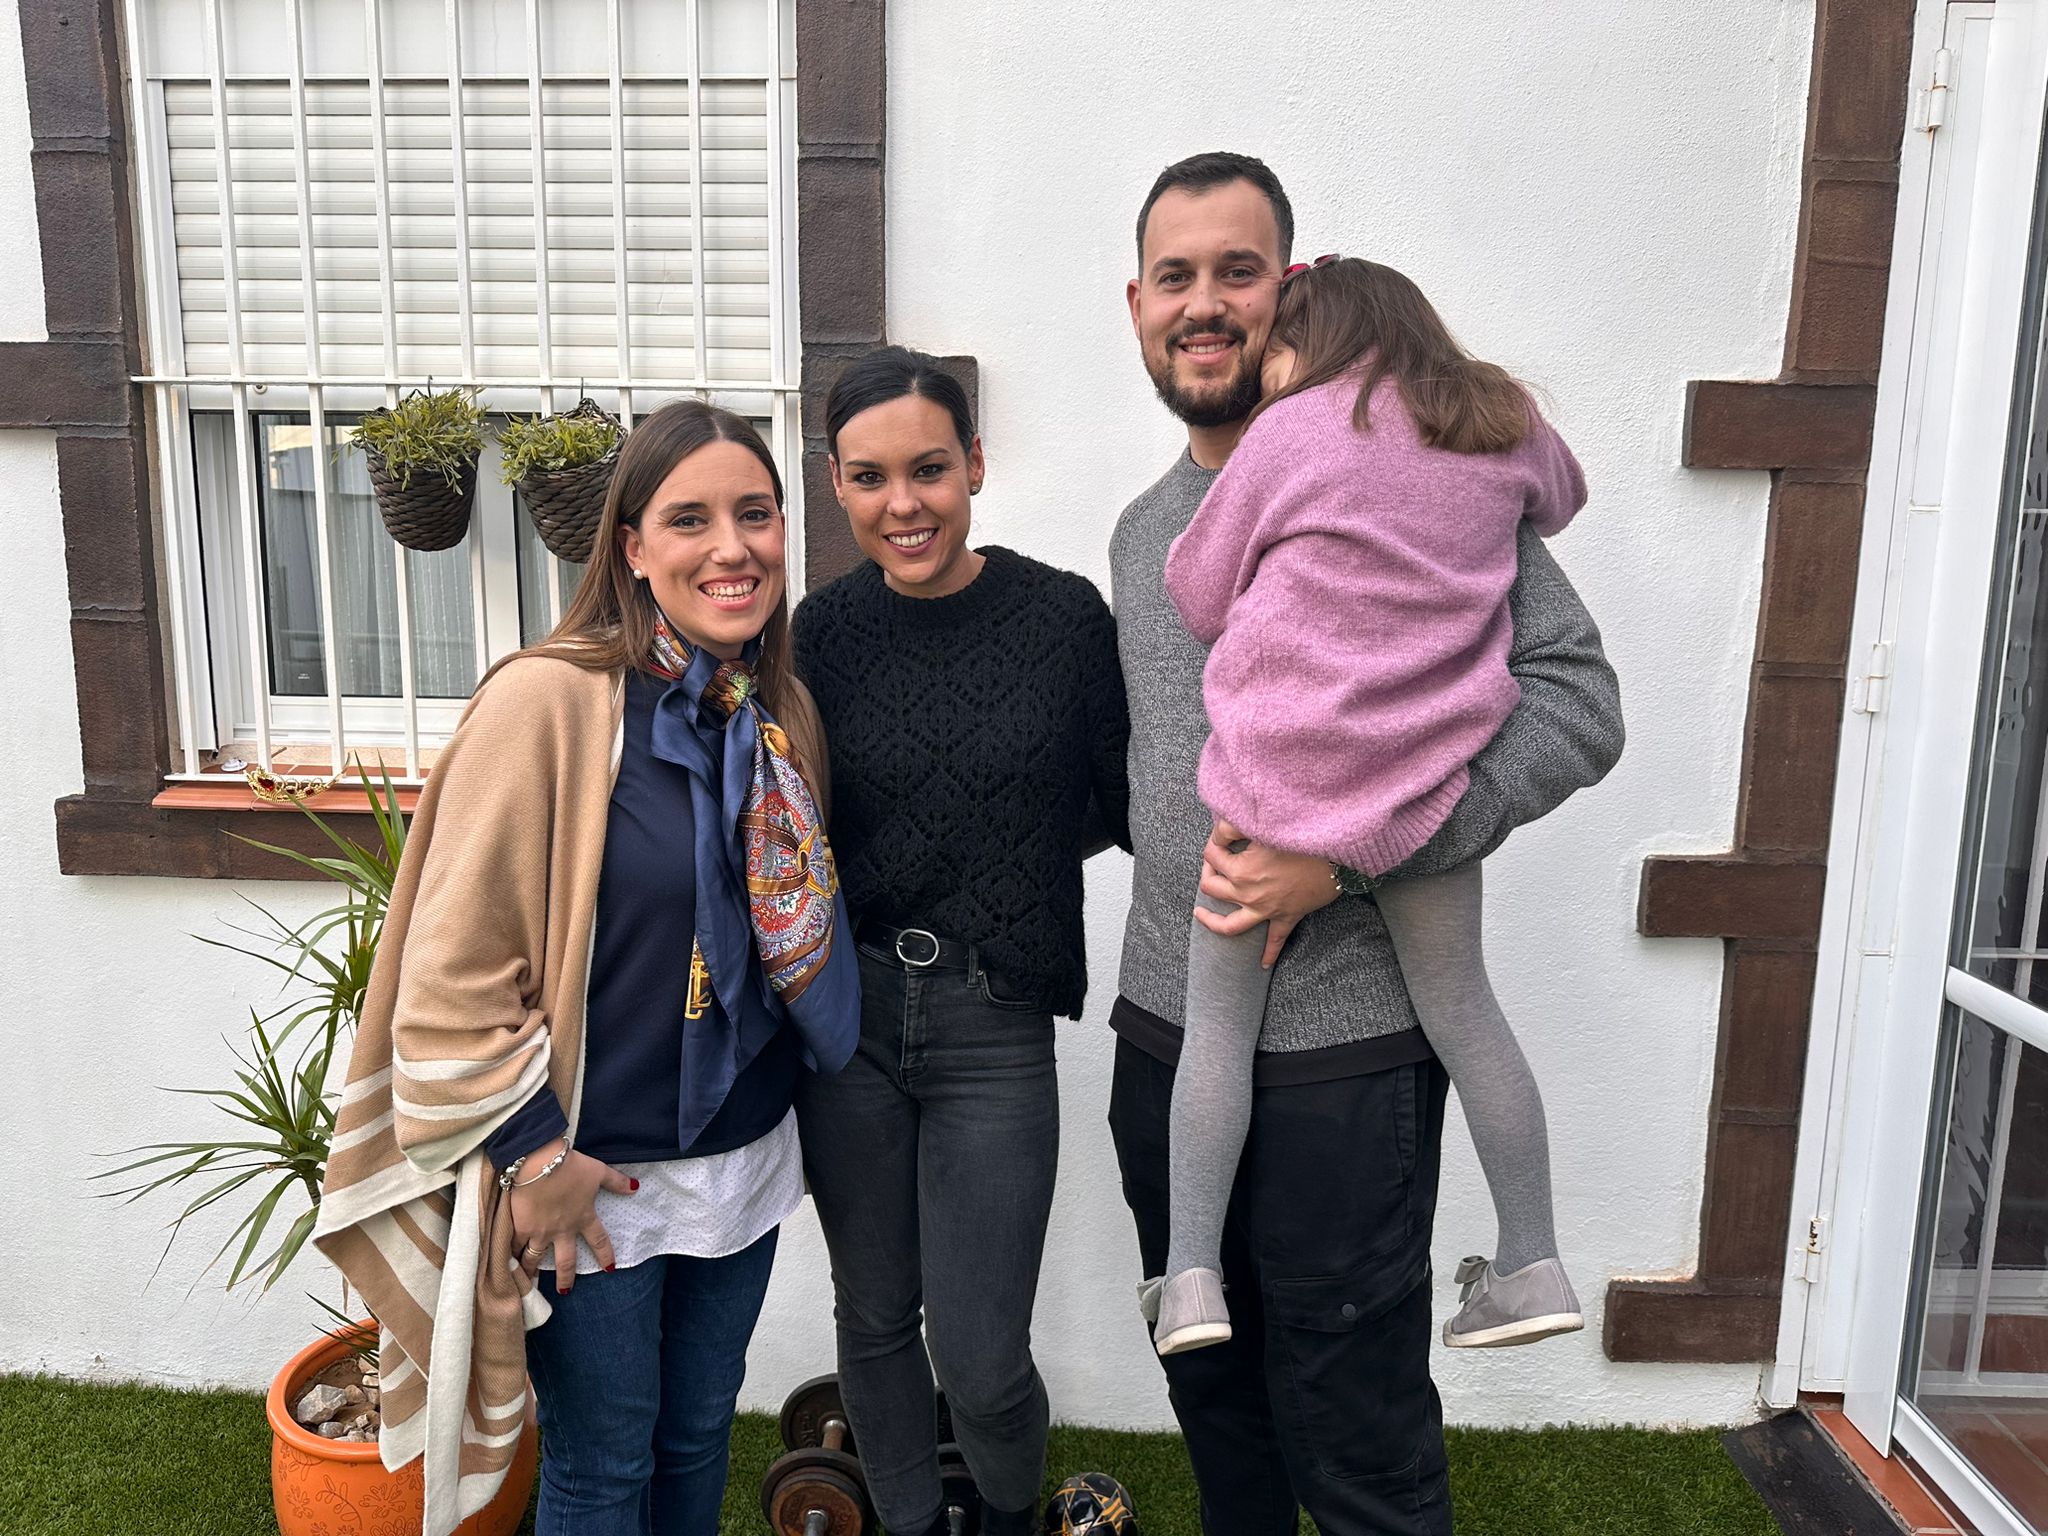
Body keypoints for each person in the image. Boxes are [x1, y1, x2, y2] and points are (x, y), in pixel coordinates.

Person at [1108, 151, 1623, 1534]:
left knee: (1360, 1441)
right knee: (1222, 1421)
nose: (1206, 303)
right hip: (1165, 1031)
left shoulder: (1443, 480)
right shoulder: (1141, 534)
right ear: (1139, 305)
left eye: (1237, 272)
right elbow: (1152, 762)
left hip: (1352, 1065)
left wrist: (1348, 860)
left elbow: (1579, 710)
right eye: (1177, 277)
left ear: (1291, 293)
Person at [315, 400, 860, 1536]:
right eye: (690, 519)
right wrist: (530, 1156)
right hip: (588, 1179)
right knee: (603, 1467)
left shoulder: (774, 712)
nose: (731, 547)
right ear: (632, 547)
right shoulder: (547, 704)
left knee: (696, 1437)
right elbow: (451, 971)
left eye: (753, 515)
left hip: (743, 1160)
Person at [1151, 255, 1591, 1356]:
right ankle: (1530, 1260)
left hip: (1270, 792)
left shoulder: (1287, 431)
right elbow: (1565, 496)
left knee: (1216, 1032)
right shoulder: (1495, 419)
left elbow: (1197, 591)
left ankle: (1192, 1278)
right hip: (1423, 791)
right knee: (1465, 1012)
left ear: (1306, 342)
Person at [792, 346, 1130, 1536]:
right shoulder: (814, 637)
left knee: (982, 1350)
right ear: (834, 484)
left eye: (929, 469)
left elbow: (1115, 802)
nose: (904, 505)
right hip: (852, 1022)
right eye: (870, 478)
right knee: (875, 1314)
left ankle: (999, 1514)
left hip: (994, 1023)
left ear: (974, 464)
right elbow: (789, 824)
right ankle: (903, 1521)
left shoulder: (1060, 619)